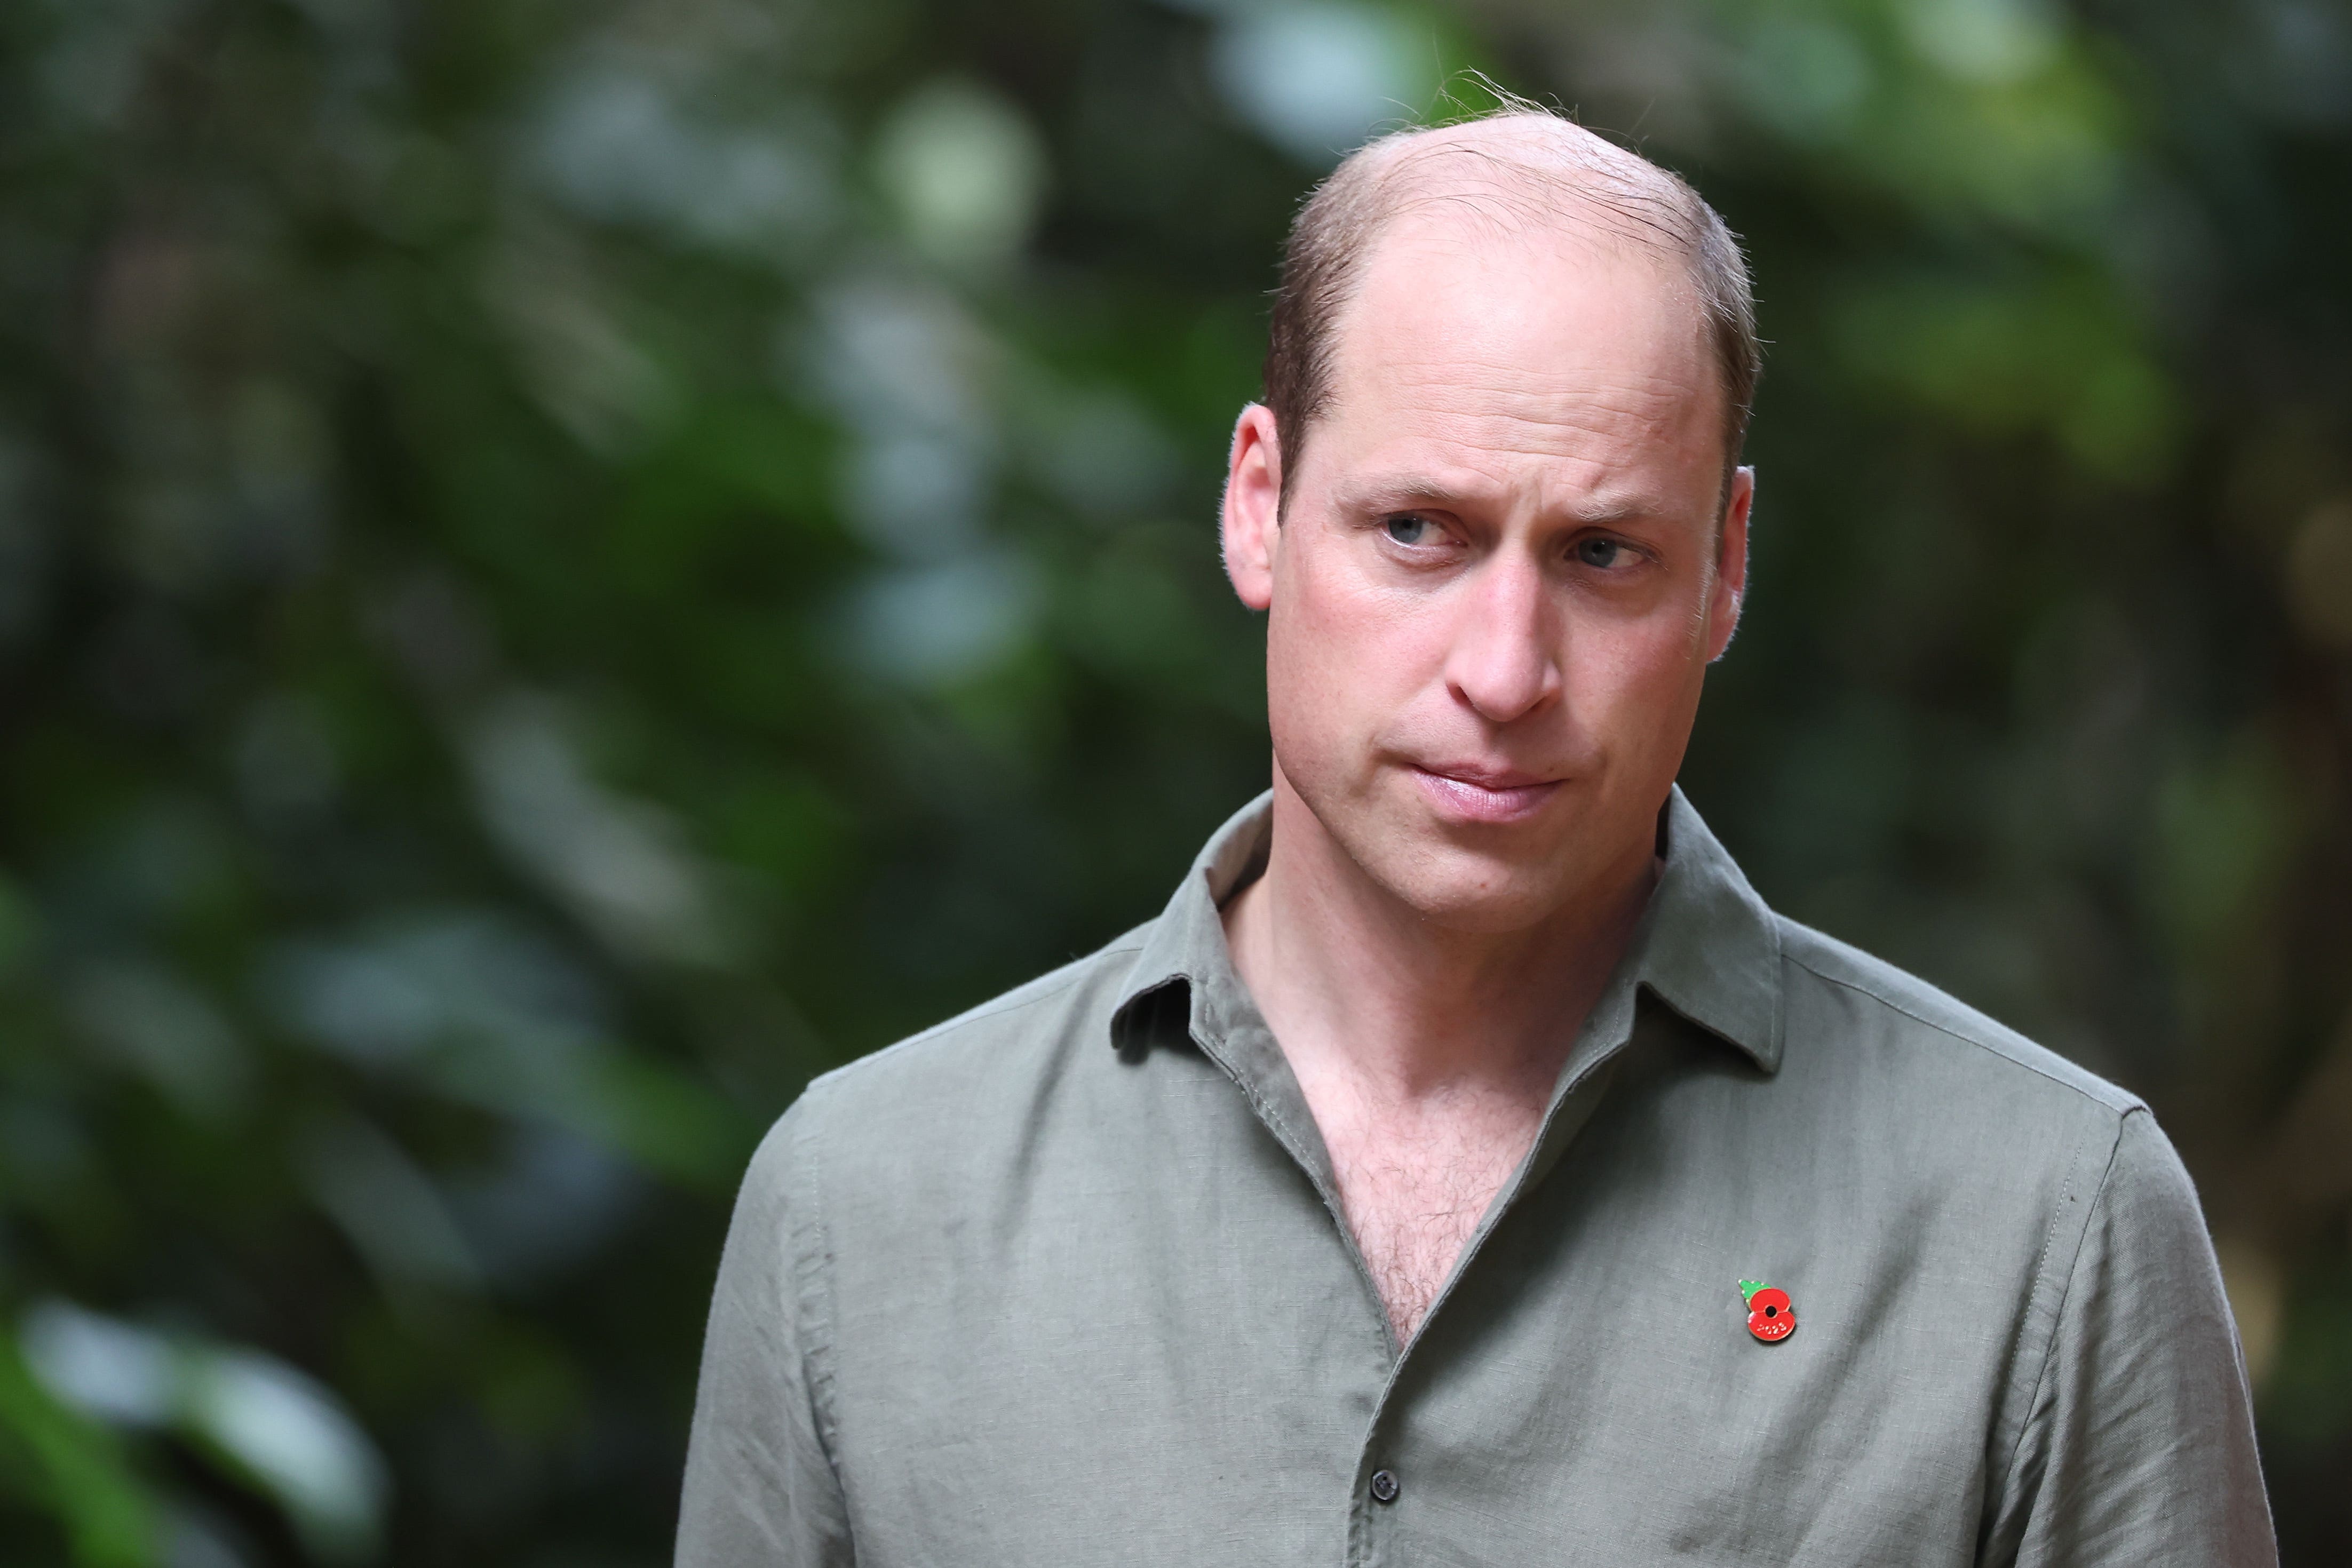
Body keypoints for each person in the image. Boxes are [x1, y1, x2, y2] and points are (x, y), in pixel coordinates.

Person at [675, 106, 2274, 1566]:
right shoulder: (865, 1210)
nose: (1504, 669)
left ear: (1726, 567)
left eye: (1602, 552)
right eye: (1419, 531)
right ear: (1258, 502)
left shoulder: (2044, 1226)